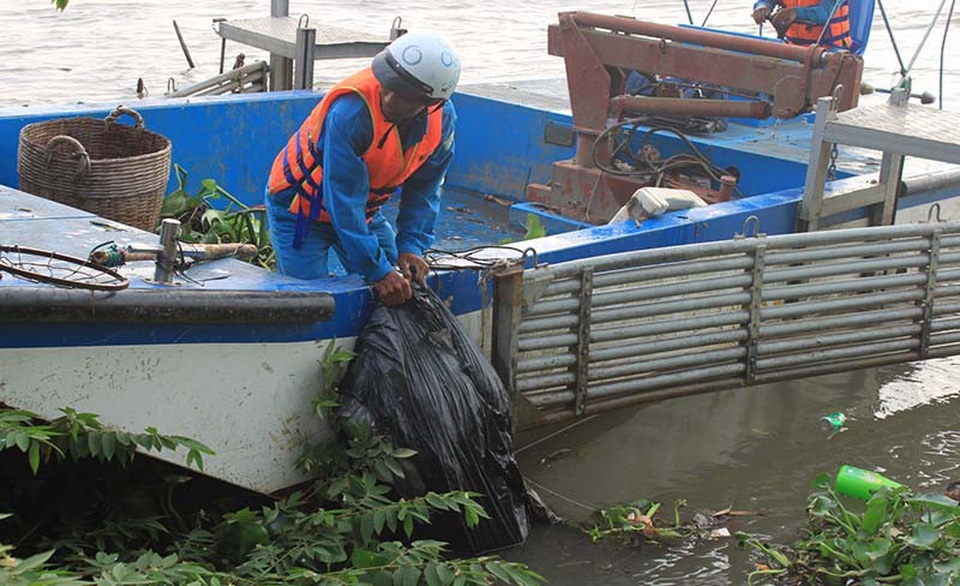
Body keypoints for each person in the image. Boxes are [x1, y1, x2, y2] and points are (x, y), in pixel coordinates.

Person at [264, 30, 459, 307]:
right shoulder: (351, 113)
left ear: (431, 104)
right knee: (310, 300)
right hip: (301, 209)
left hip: (364, 212)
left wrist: (411, 246)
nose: (390, 98)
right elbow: (342, 198)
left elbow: (425, 189)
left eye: (405, 96)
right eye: (388, 84)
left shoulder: (443, 121)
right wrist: (376, 270)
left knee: (401, 278)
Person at [752, 0, 852, 50]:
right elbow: (765, 1)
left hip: (831, 49)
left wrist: (796, 13)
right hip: (791, 47)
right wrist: (762, 7)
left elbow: (825, 13)